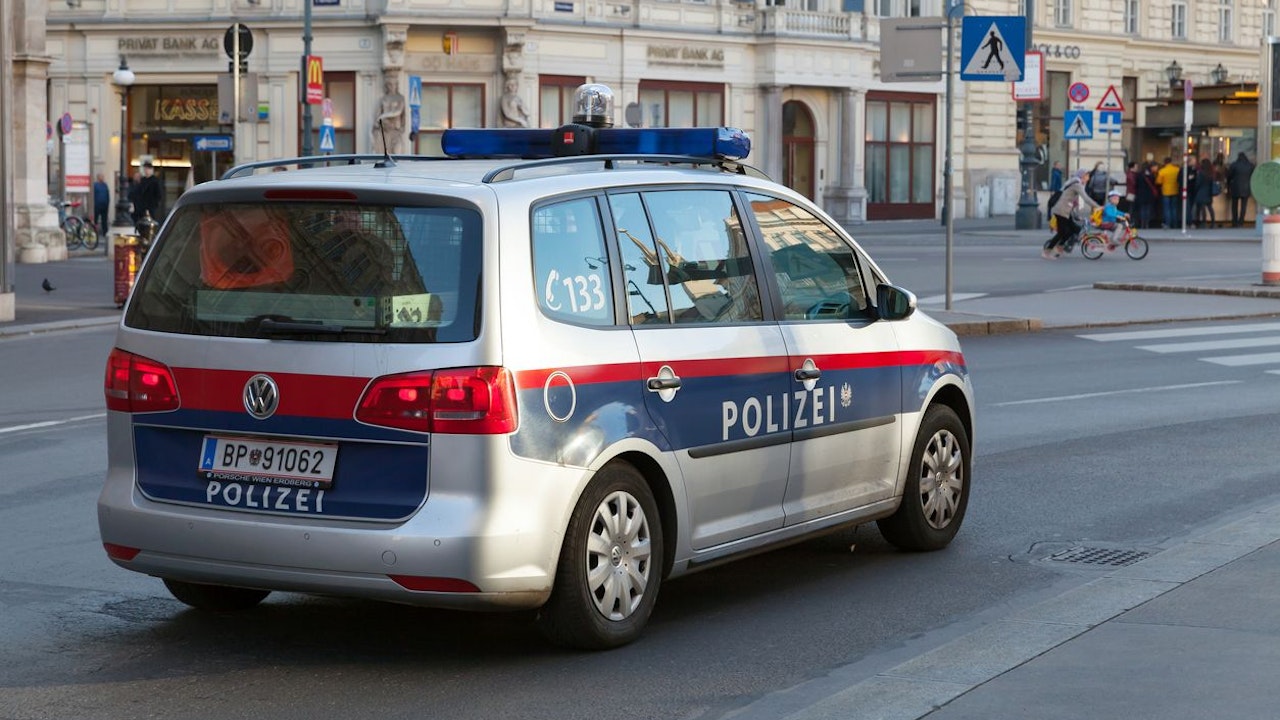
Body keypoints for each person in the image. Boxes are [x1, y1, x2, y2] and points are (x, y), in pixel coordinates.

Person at [1045, 168, 1100, 259]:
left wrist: (1076, 213)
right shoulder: (1077, 184)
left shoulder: (1075, 183)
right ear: (1083, 176)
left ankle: (1063, 247)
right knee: (1063, 233)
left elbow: (1070, 199)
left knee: (1076, 229)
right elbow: (1086, 198)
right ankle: (1048, 251)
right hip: (1061, 210)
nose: (1088, 178)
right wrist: (1097, 206)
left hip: (1066, 210)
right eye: (1087, 176)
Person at [373, 79, 406, 154]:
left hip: (396, 129)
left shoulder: (400, 98)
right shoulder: (383, 98)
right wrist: (377, 122)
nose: (391, 87)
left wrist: (402, 127)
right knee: (384, 153)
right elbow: (378, 113)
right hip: (384, 130)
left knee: (396, 152)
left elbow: (400, 113)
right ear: (386, 86)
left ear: (396, 85)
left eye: (393, 84)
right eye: (389, 84)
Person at [1227, 151, 1255, 227]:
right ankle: (1241, 222)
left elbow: (1229, 176)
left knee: (1234, 206)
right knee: (1243, 206)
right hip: (1246, 187)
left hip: (1235, 187)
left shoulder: (1234, 165)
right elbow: (1254, 176)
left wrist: (1228, 185)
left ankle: (1234, 222)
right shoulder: (1250, 166)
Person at [1134, 161, 1161, 229]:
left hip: (1141, 194)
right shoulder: (1152, 175)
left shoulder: (1139, 174)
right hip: (1149, 195)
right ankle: (1147, 223)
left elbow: (1136, 184)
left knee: (1142, 209)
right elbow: (1155, 183)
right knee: (1148, 209)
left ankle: (1142, 223)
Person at [1156, 157, 1181, 228]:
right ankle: (1175, 224)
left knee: (1167, 209)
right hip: (1175, 190)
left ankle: (1168, 224)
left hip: (1166, 191)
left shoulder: (1162, 171)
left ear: (1164, 162)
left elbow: (1158, 181)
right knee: (1174, 208)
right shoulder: (1177, 169)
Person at [1192, 156, 1216, 228]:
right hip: (1208, 192)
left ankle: (1203, 223)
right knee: (1210, 208)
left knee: (1202, 208)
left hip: (1201, 192)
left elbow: (1197, 183)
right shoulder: (1211, 173)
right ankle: (1213, 222)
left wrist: (1195, 189)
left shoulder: (1201, 173)